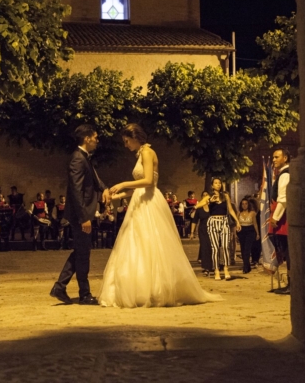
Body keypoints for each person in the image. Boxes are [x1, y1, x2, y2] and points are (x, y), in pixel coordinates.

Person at [99, 123, 222, 308]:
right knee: (135, 243)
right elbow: (139, 187)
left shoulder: (148, 152)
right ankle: (140, 288)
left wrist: (124, 184)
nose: (126, 145)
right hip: (140, 200)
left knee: (151, 242)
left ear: (134, 138)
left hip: (149, 202)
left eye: (126, 141)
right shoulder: (140, 154)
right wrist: (117, 195)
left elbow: (148, 181)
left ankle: (155, 290)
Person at [50, 124, 110, 305]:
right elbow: (76, 190)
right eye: (95, 137)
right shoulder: (78, 158)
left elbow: (93, 178)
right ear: (87, 138)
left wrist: (104, 188)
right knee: (83, 254)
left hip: (82, 213)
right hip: (80, 215)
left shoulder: (83, 157)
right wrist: (84, 217)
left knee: (81, 252)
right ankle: (84, 294)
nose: (97, 140)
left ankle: (60, 287)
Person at [194, 178, 241, 281]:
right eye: (216, 183)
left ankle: (226, 269)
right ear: (212, 185)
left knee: (225, 246)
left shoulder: (225, 196)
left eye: (219, 183)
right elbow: (198, 205)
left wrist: (237, 221)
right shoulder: (208, 196)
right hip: (213, 222)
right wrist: (209, 201)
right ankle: (216, 270)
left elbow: (230, 209)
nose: (218, 184)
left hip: (224, 221)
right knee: (214, 248)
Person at [269, 149, 291, 295]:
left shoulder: (285, 174)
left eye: (277, 157)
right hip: (282, 217)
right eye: (273, 157)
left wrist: (275, 217)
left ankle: (291, 284)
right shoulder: (283, 173)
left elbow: (283, 199)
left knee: (288, 252)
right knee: (287, 251)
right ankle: (290, 283)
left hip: (283, 218)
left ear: (285, 158)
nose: (274, 160)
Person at [237, 198, 259, 274]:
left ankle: (245, 267)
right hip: (241, 231)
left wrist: (257, 233)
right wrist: (235, 233)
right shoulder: (239, 213)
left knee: (247, 249)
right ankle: (247, 265)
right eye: (243, 204)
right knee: (243, 249)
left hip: (250, 231)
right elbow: (237, 224)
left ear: (248, 204)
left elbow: (255, 224)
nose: (244, 205)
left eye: (246, 204)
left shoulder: (252, 213)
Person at [194, 191, 213, 275]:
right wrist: (192, 232)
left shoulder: (213, 207)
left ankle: (212, 265)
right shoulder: (199, 209)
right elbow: (194, 220)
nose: (205, 197)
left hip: (212, 229)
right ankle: (206, 267)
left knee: (212, 247)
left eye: (207, 195)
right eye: (204, 196)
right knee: (205, 248)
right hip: (203, 230)